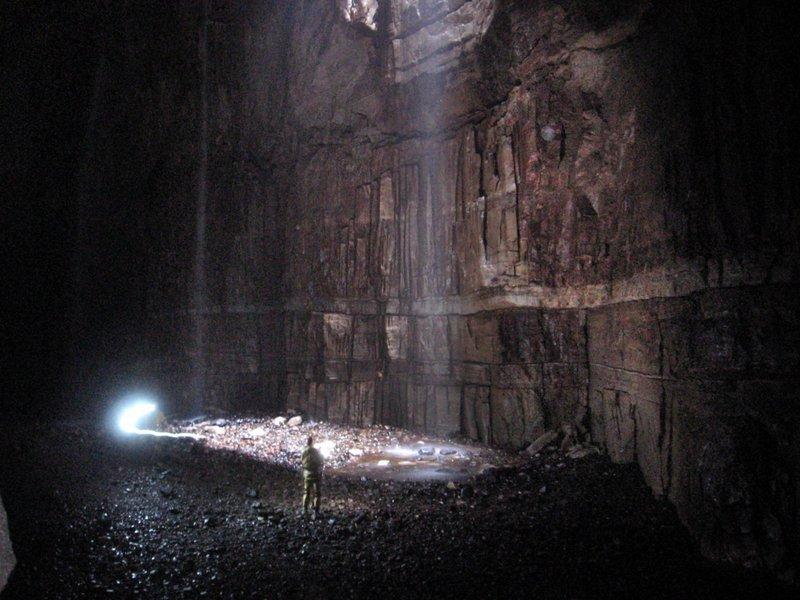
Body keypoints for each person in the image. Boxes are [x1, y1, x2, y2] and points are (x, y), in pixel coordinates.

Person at [301, 435, 324, 517]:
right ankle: (316, 511)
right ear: (312, 442)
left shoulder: (303, 451)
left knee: (306, 491)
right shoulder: (316, 451)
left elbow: (302, 461)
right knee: (317, 493)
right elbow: (321, 461)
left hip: (307, 473)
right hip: (315, 474)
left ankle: (304, 509)